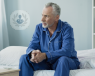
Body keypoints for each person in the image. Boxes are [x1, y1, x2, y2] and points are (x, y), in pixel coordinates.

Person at [19, 2, 80, 76]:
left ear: (56, 17)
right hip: (45, 63)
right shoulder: (38, 28)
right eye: (42, 15)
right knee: (24, 58)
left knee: (63, 60)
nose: (42, 19)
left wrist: (45, 55)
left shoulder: (67, 28)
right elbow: (31, 46)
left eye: (46, 16)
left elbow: (67, 51)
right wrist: (33, 52)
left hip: (63, 62)